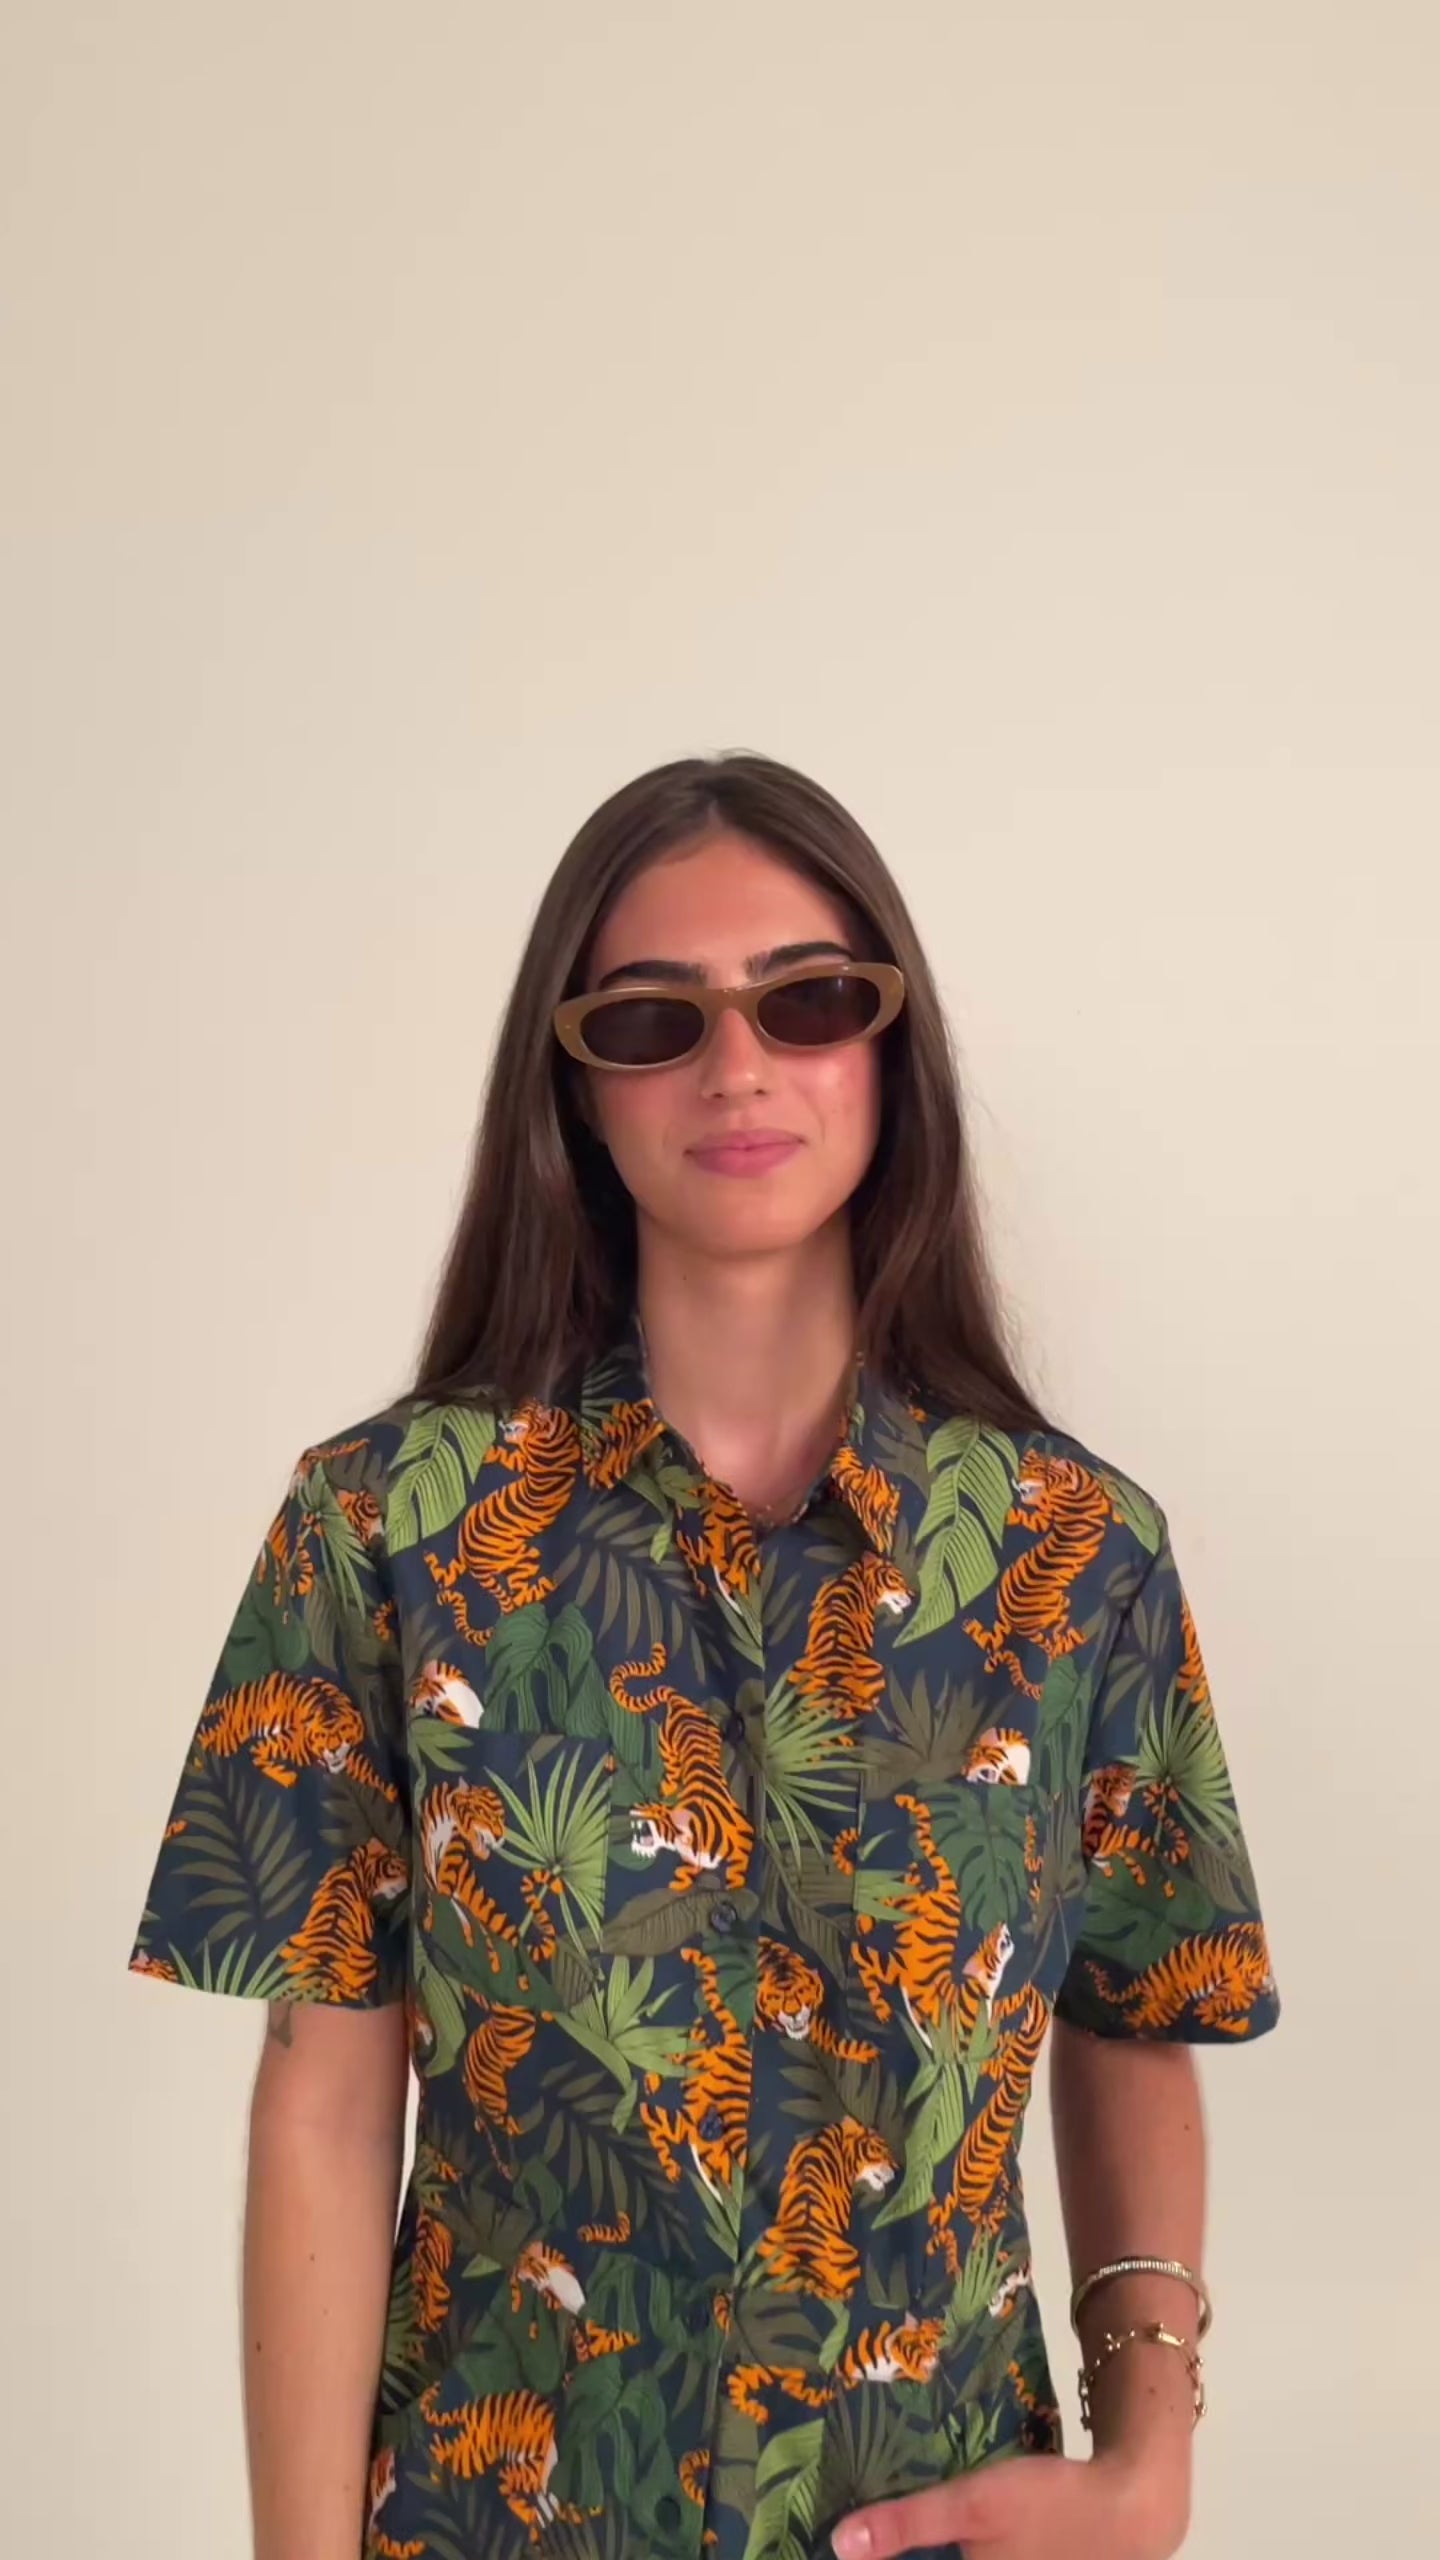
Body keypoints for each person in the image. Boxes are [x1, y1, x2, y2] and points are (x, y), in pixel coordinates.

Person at [130, 751, 1279, 2560]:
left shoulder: (1077, 1559)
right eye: (655, 1020)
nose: (738, 1066)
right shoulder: (382, 1534)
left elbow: (1139, 2016)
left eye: (807, 1001)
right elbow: (326, 2107)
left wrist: (1150, 2457)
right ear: (577, 1088)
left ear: (891, 1049)